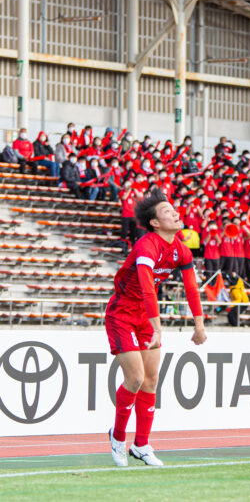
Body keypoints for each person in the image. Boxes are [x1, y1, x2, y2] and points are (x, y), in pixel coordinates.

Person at [105, 190, 206, 467]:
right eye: (167, 212)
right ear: (155, 223)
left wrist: (199, 325)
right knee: (135, 378)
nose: (175, 213)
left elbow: (191, 287)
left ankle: (142, 445)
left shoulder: (181, 249)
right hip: (122, 315)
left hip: (145, 319)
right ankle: (117, 437)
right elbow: (148, 290)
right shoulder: (146, 247)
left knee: (151, 381)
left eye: (174, 209)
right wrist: (158, 327)